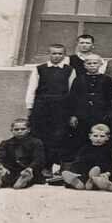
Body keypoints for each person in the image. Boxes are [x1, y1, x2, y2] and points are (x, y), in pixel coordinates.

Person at [25, 44, 75, 173]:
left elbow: (72, 91)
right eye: (54, 53)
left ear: (64, 55)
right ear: (49, 54)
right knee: (40, 135)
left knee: (57, 136)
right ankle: (36, 166)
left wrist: (70, 111)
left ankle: (49, 166)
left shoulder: (69, 70)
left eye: (60, 54)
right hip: (42, 106)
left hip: (60, 108)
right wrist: (30, 107)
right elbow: (32, 89)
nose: (57, 56)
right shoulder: (39, 69)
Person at [67, 54, 112, 149]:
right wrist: (73, 115)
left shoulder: (106, 79)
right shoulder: (79, 79)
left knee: (98, 137)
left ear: (100, 64)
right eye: (89, 63)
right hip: (82, 115)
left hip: (101, 115)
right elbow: (73, 98)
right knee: (81, 138)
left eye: (95, 63)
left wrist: (109, 114)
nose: (92, 65)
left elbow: (111, 98)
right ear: (84, 65)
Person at [0, 118, 46, 189]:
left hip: (27, 169)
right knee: (4, 175)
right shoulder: (5, 143)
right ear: (11, 130)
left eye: (23, 129)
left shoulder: (36, 142)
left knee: (28, 176)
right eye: (16, 129)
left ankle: (25, 177)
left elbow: (39, 159)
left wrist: (31, 168)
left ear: (28, 130)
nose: (19, 131)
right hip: (11, 170)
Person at [59, 123, 112, 191]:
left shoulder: (109, 149)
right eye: (95, 136)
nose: (98, 139)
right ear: (90, 136)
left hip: (101, 172)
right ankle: (78, 183)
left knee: (99, 174)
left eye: (102, 136)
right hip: (85, 172)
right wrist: (75, 171)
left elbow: (111, 164)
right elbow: (78, 161)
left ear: (107, 137)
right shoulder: (85, 148)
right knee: (80, 174)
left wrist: (108, 173)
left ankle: (92, 181)